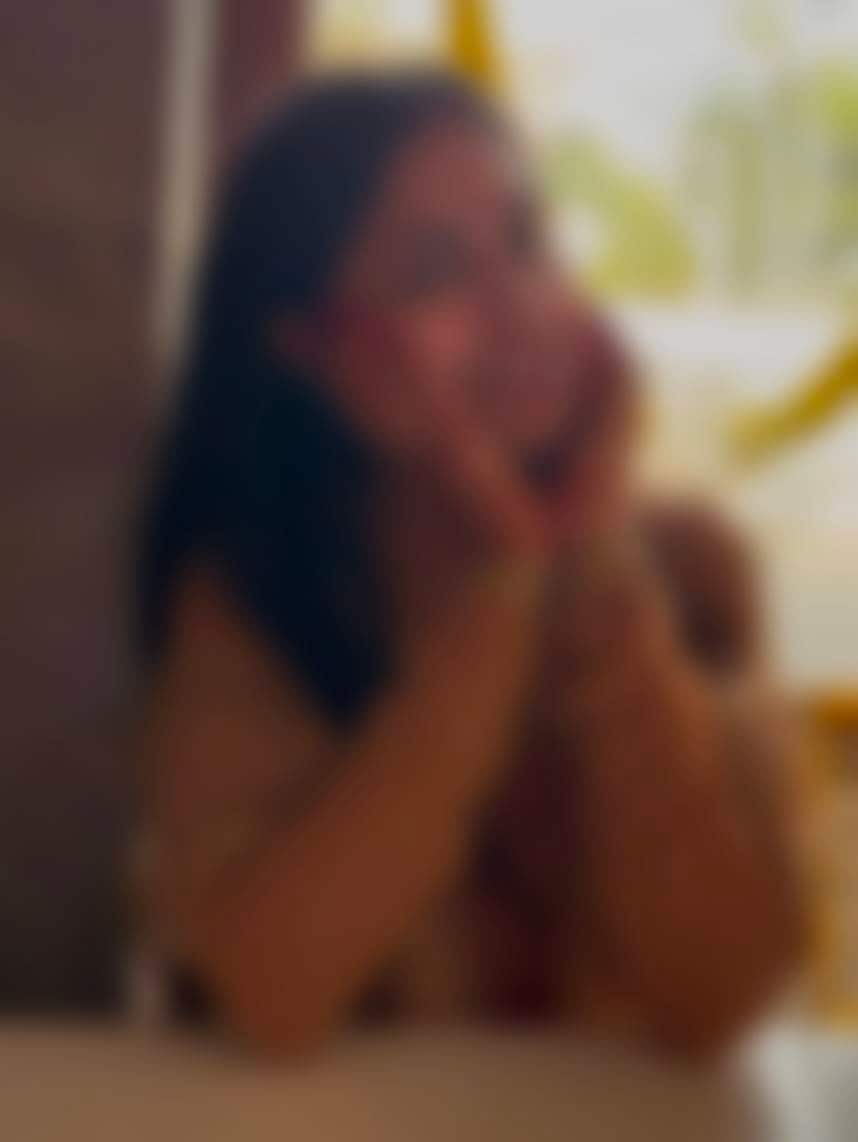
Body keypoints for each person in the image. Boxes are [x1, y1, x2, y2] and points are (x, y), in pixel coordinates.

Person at [135, 70, 804, 1056]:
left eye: (527, 242)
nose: (521, 307)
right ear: (311, 349)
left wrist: (597, 562)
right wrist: (505, 588)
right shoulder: (252, 597)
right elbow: (273, 995)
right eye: (436, 272)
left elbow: (721, 995)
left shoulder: (690, 568)